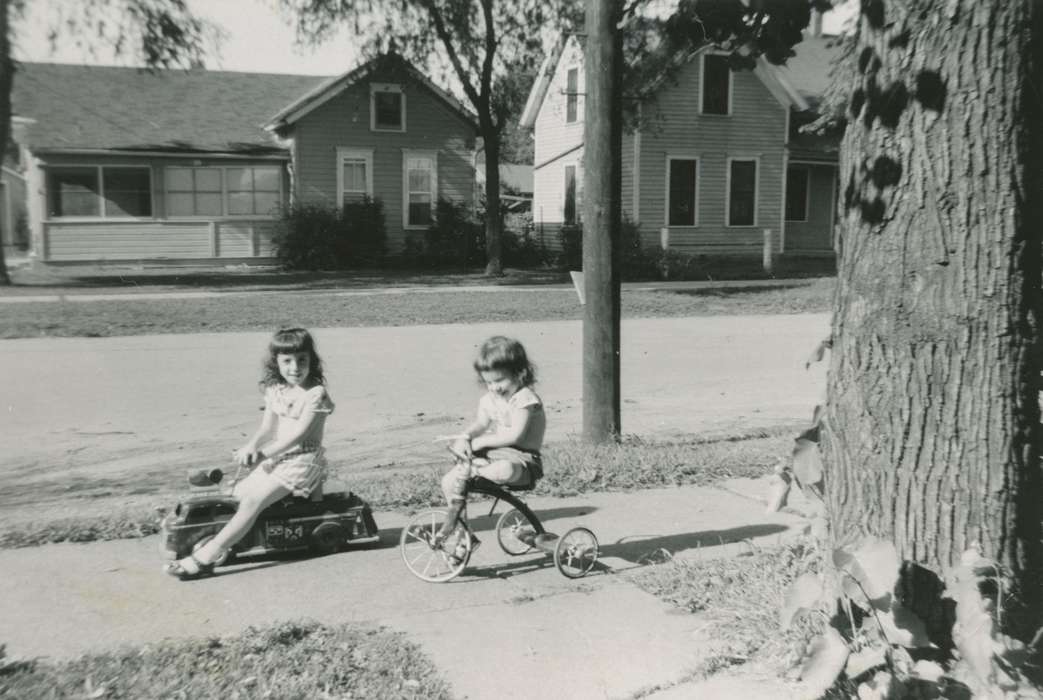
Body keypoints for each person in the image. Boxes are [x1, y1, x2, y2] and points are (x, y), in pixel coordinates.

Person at [164, 327, 335, 580]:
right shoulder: (276, 389)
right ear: (276, 362)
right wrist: (252, 446)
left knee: (252, 502)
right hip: (277, 456)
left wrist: (264, 454)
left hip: (301, 461)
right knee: (236, 494)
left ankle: (206, 556)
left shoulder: (315, 394)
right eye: (287, 361)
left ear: (312, 360)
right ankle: (215, 540)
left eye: (302, 360)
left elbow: (298, 434)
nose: (295, 367)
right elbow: (267, 428)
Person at [437, 336, 546, 561]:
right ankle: (464, 534)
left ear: (520, 373)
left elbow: (516, 435)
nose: (495, 388)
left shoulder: (524, 400)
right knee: (449, 482)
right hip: (493, 456)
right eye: (488, 382)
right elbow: (480, 424)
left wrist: (482, 442)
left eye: (500, 380)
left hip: (522, 460)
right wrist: (466, 437)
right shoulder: (489, 399)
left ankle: (476, 469)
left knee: (504, 469)